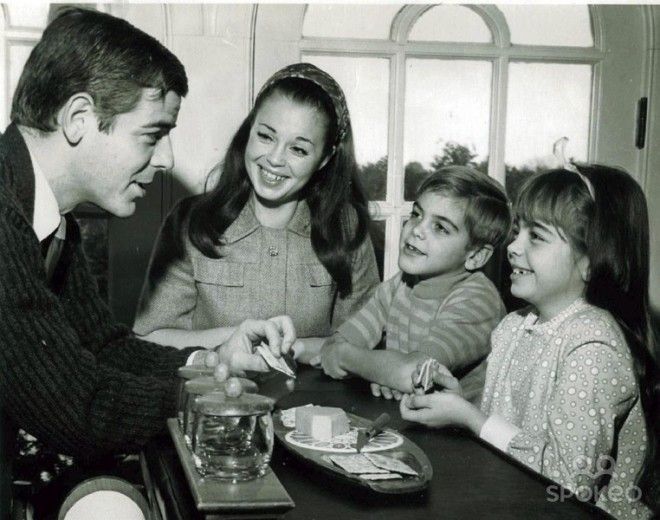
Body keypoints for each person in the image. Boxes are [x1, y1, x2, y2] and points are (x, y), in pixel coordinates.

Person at [0, 8, 295, 519]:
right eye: (152, 134)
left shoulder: (46, 217)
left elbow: (103, 348)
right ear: (78, 118)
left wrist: (212, 363)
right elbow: (80, 408)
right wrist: (207, 400)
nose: (165, 159)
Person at [400, 166, 659, 519]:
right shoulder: (515, 326)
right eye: (517, 231)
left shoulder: (594, 346)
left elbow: (569, 484)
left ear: (590, 261)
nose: (513, 246)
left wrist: (471, 419)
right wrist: (459, 403)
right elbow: (506, 432)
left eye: (535, 236)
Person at [133, 62, 379, 361]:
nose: (274, 158)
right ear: (249, 130)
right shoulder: (190, 220)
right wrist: (234, 340)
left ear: (325, 159)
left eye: (298, 149)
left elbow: (359, 346)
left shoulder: (347, 228)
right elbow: (150, 338)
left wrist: (292, 349)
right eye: (266, 136)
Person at [318, 166, 510, 400]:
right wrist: (384, 370)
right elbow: (338, 343)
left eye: (440, 227)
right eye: (417, 214)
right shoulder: (401, 284)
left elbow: (415, 373)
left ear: (476, 256)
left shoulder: (478, 301)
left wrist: (349, 359)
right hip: (408, 415)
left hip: (461, 423)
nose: (417, 229)